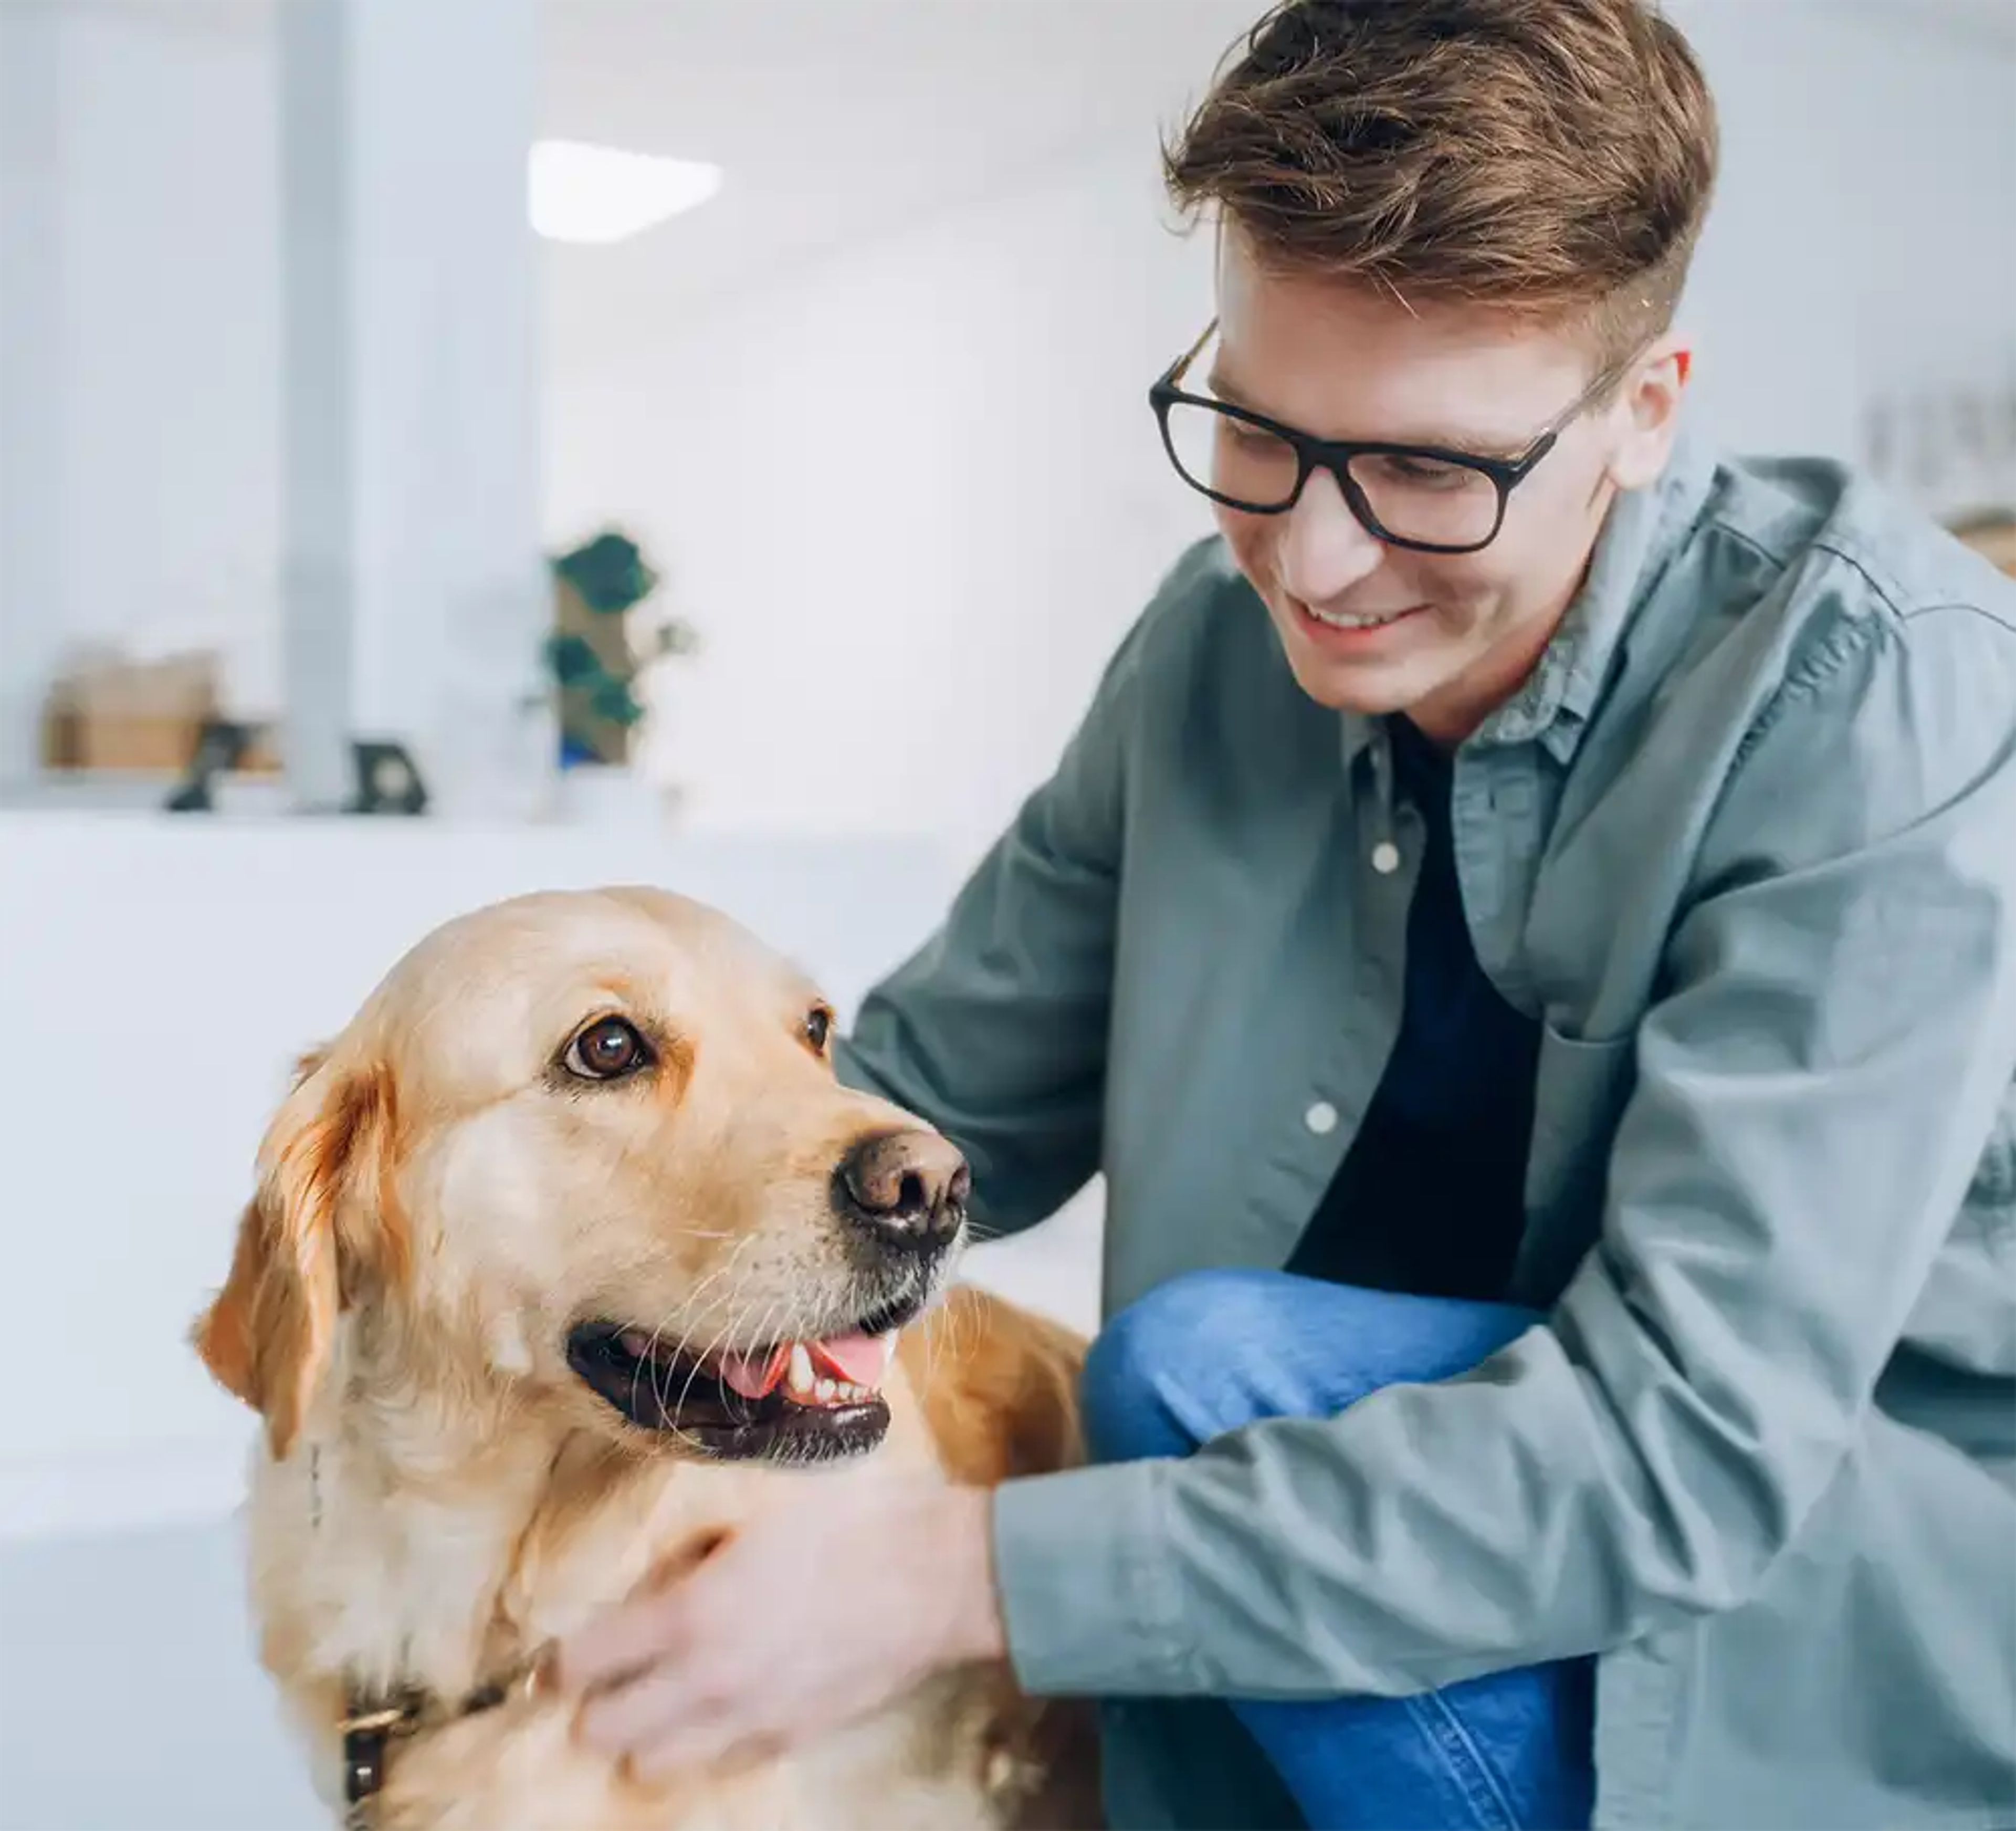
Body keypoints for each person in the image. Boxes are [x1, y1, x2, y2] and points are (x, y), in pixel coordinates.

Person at [553, 2, 2016, 1826]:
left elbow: (1681, 1459)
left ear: (1644, 414)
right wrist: (532, 1244)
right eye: (1256, 427)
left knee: (1210, 1371)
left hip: (1769, 1634)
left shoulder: (1886, 692)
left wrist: (958, 1580)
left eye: (1428, 470)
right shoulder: (1204, 646)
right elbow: (921, 1114)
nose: (1312, 565)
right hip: (1325, 1595)